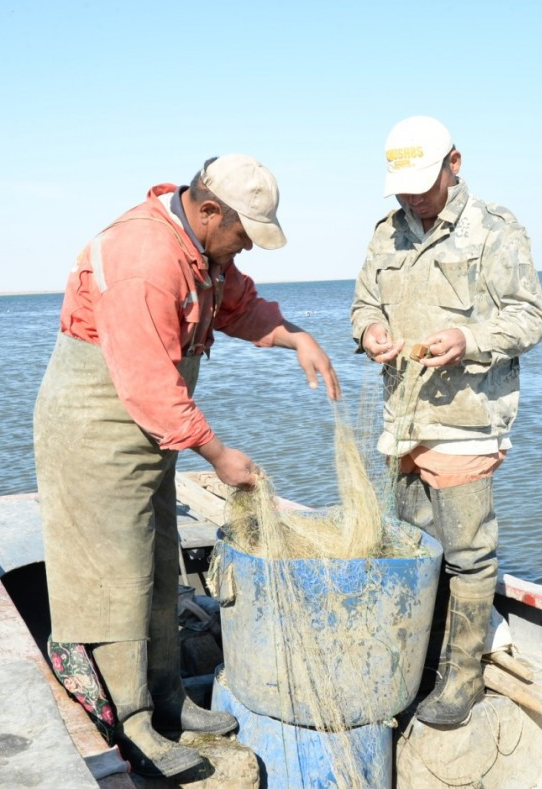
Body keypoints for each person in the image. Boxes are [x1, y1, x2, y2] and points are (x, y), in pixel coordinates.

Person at [35, 155, 340, 777]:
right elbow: (149, 383)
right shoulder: (144, 259)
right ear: (207, 211)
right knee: (115, 574)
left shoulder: (203, 253)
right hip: (97, 424)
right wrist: (219, 455)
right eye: (242, 234)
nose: (246, 248)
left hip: (150, 424)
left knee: (157, 559)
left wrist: (295, 335)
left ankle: (171, 700)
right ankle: (135, 727)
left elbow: (235, 307)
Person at [350, 116, 542, 726]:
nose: (412, 196)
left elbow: (529, 319)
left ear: (454, 163)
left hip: (466, 420)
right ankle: (424, 657)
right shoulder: (386, 234)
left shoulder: (495, 230)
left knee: (466, 552)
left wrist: (467, 338)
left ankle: (462, 678)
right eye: (401, 186)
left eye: (422, 182)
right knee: (413, 543)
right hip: (402, 420)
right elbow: (363, 304)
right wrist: (370, 332)